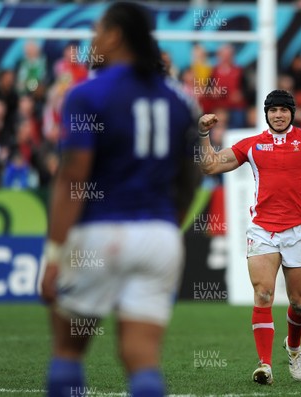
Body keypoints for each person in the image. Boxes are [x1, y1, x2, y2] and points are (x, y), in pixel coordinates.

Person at [40, 3, 199, 397]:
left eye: (96, 30)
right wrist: (166, 224)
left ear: (114, 36)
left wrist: (55, 254)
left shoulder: (86, 95)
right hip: (159, 238)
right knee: (142, 359)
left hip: (99, 233)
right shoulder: (180, 102)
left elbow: (74, 176)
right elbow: (191, 179)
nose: (91, 40)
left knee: (68, 352)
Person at [197, 90, 301, 384]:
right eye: (273, 110)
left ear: (291, 113)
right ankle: (265, 365)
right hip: (262, 230)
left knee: (298, 302)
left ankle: (293, 347)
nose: (278, 115)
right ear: (266, 114)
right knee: (264, 293)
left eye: (283, 109)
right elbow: (211, 165)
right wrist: (204, 134)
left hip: (298, 231)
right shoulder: (253, 145)